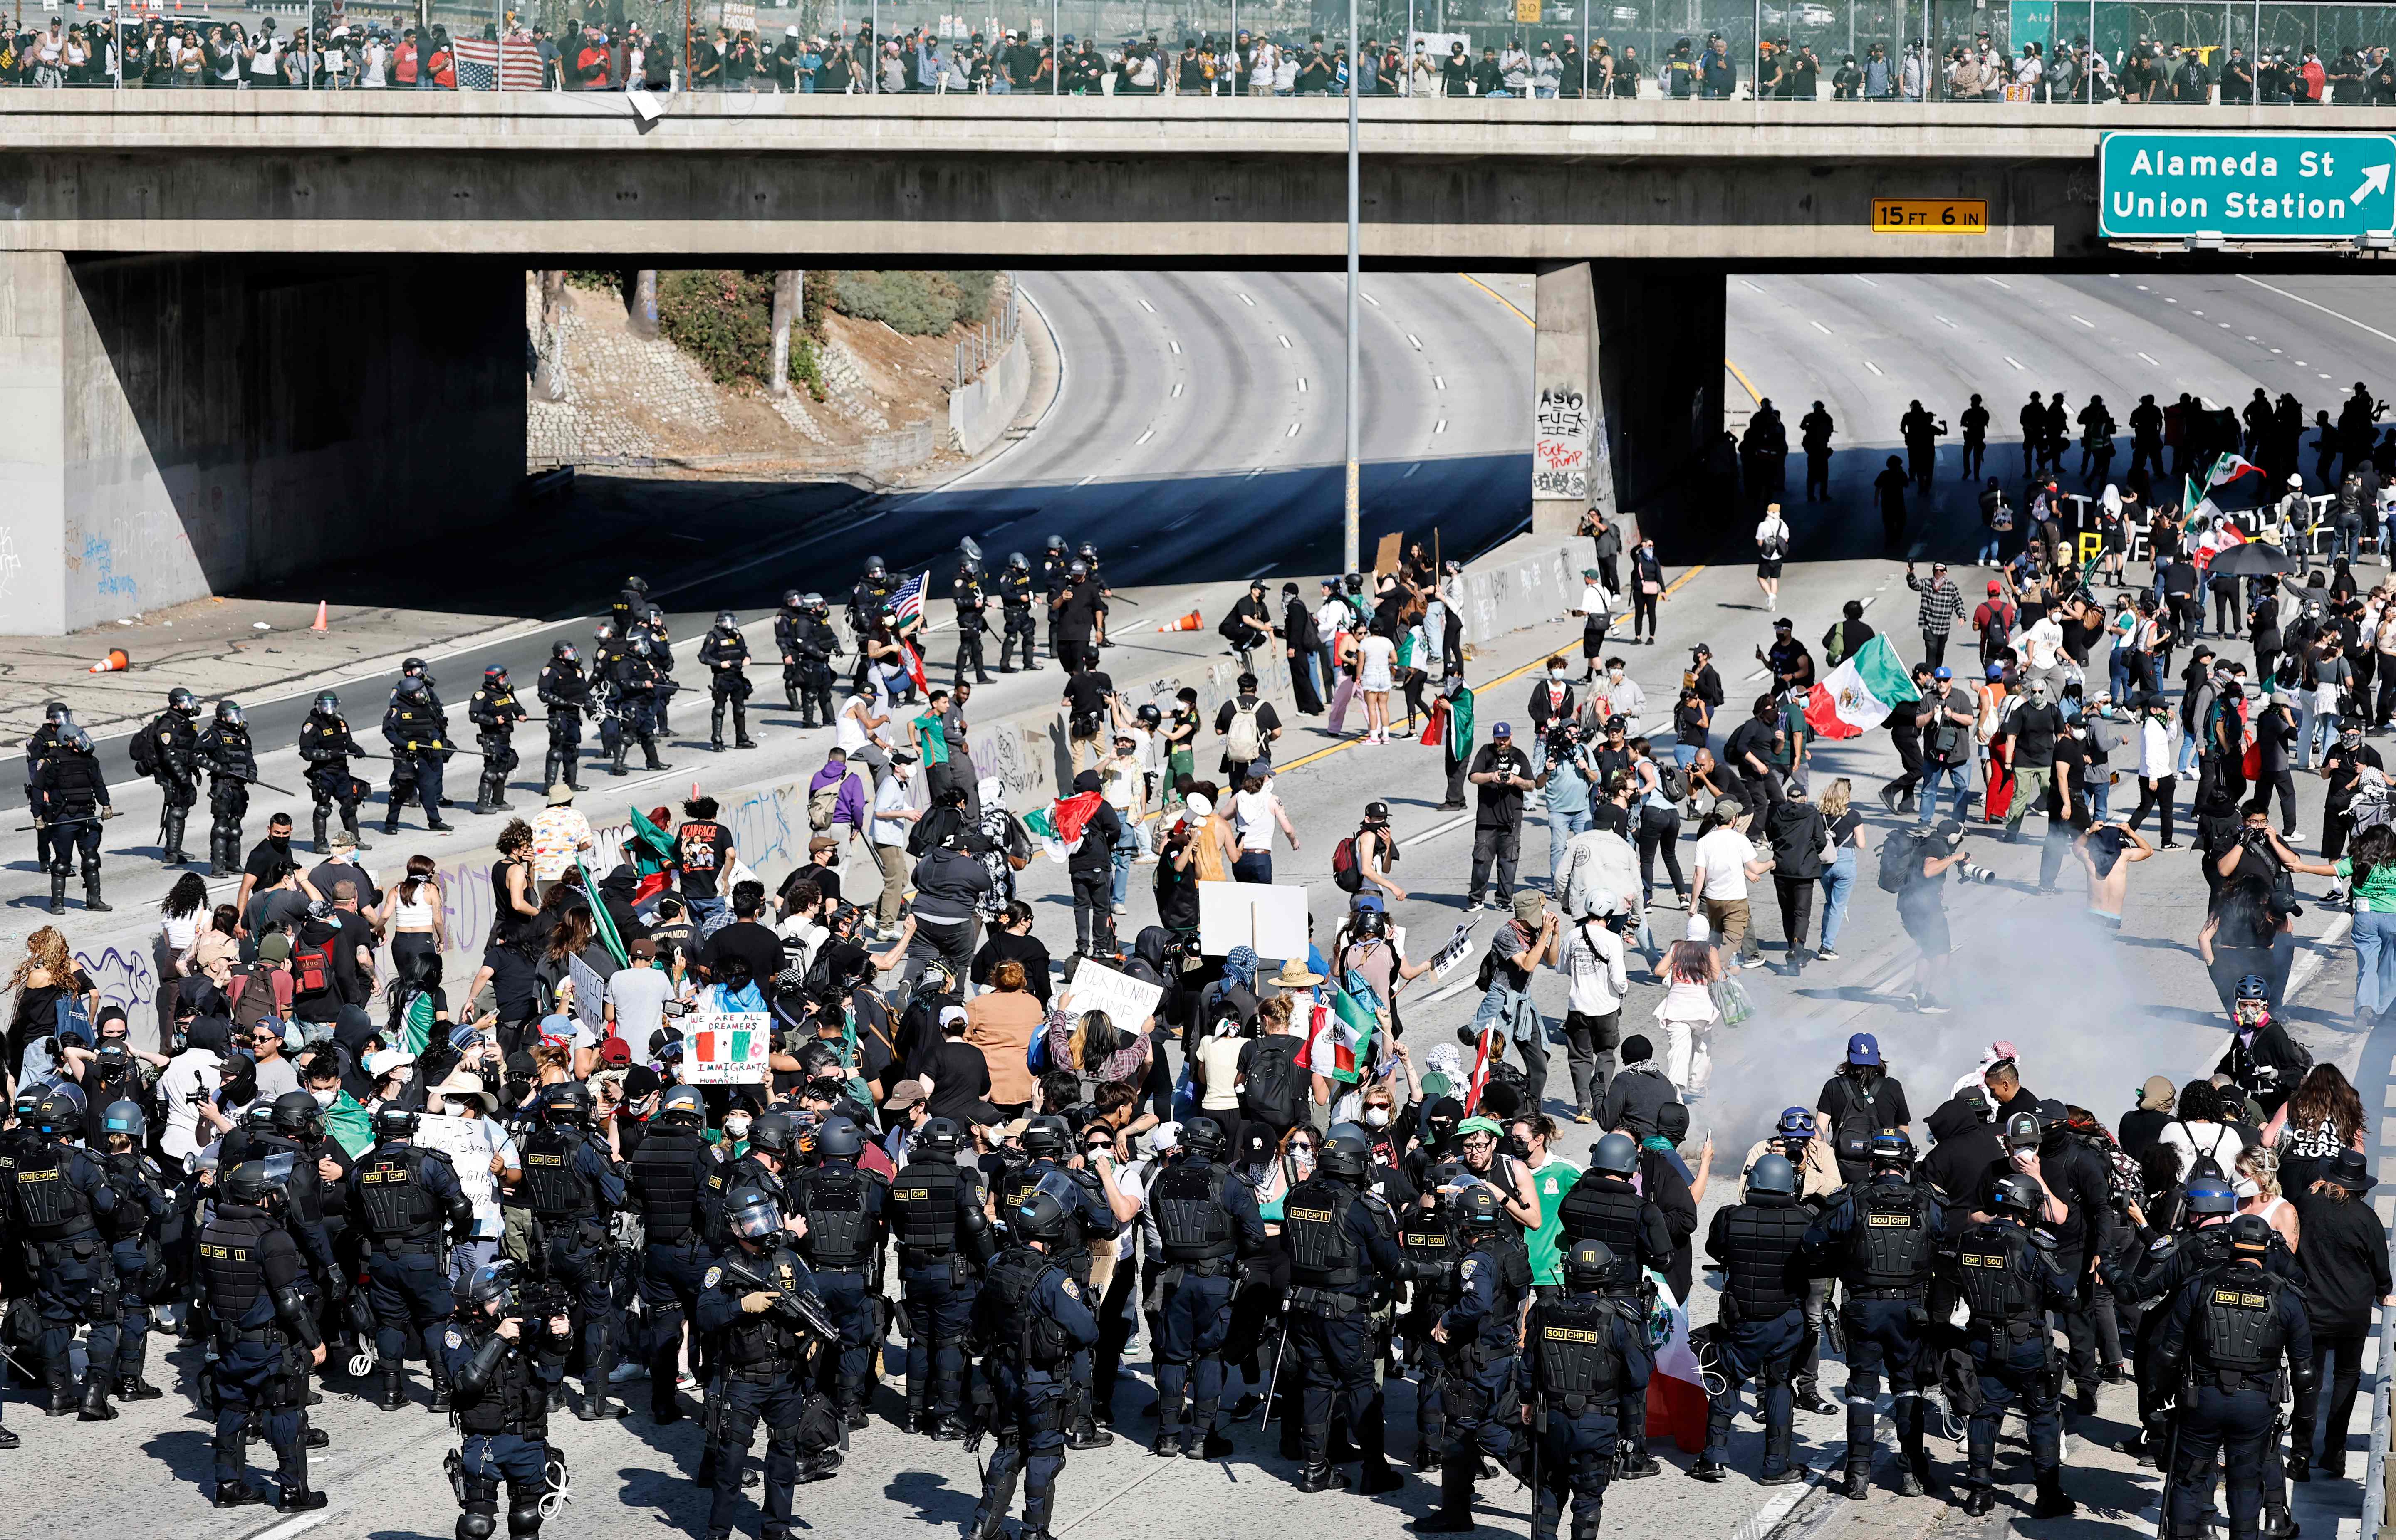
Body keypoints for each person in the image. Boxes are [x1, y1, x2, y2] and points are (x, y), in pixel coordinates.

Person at [1802, 1130, 1942, 1499]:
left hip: (1863, 1307)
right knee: (1909, 1385)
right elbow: (1948, 1241)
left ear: (1873, 1163)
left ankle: (1858, 1473)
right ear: (1906, 1163)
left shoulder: (1854, 1198)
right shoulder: (1927, 1201)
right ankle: (1913, 1472)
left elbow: (1813, 1241)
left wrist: (1844, 1259)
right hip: (1911, 1309)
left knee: (1863, 1388)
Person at [2157, 1213, 2315, 1538]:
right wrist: (2303, 1428)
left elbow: (2169, 1352)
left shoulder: (2199, 1286)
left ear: (2229, 1244)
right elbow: (2305, 1372)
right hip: (2256, 1405)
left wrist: (2161, 1398)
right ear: (2267, 1250)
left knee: (2189, 1478)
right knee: (2246, 1482)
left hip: (2202, 1398)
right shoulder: (2286, 1297)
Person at [695, 1183, 831, 1540]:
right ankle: (718, 1531)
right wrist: (742, 1306)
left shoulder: (788, 1260)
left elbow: (815, 1301)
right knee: (731, 1462)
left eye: (765, 1219)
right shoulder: (724, 1268)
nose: (762, 1229)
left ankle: (777, 1529)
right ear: (737, 1228)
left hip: (785, 1377)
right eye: (752, 1223)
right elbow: (705, 1318)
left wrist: (811, 1336)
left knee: (784, 1457)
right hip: (742, 1379)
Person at [968, 1187, 1102, 1540]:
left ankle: (983, 1526)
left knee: (1010, 1446)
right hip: (1042, 1380)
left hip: (1003, 1374)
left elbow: (978, 1319)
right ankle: (1035, 1531)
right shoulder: (1052, 1278)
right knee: (1045, 1454)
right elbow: (1088, 1332)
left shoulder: (998, 1264)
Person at [198, 1159, 328, 1510]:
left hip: (228, 1339)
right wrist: (314, 1340)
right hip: (268, 1341)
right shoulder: (272, 1238)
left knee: (233, 1408)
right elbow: (288, 1302)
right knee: (285, 1410)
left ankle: (228, 1485)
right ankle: (292, 1492)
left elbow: (205, 1289)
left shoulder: (210, 1230)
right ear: (261, 1197)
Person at [1954, 1172, 2079, 1518]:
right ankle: (2048, 1495)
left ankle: (1979, 1492)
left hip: (1981, 1339)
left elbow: (1953, 1278)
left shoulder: (1968, 1239)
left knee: (1985, 1411)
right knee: (2042, 1415)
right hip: (2027, 1345)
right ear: (2027, 1205)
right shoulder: (2033, 1245)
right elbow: (2068, 1292)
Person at [1148, 1114, 1267, 1460]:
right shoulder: (1231, 1182)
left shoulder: (1163, 1179)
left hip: (1174, 1278)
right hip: (1215, 1279)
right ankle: (1202, 1437)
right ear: (1217, 1147)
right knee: (1209, 1355)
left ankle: (1168, 1437)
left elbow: (1160, 1220)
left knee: (1172, 1356)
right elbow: (1256, 1237)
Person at [1517, 1237, 1653, 1540]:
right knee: (1588, 1499)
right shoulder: (1618, 1319)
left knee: (1548, 1492)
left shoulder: (1543, 1310)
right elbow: (1640, 1376)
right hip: (1598, 1423)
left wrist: (1527, 1401)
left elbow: (1527, 1365)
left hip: (1550, 1421)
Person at [1694, 1154, 1810, 1485]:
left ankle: (1713, 1457)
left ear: (1755, 1181)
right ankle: (1775, 1466)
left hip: (1742, 1319)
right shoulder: (1805, 1220)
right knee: (1779, 1385)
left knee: (1725, 1378)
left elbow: (1717, 1251)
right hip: (1787, 1320)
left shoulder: (1730, 1217)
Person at [350, 1103, 474, 1411]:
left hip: (380, 1259)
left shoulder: (361, 1167)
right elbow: (460, 1206)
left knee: (390, 1322)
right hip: (423, 1257)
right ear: (411, 1128)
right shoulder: (429, 1163)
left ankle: (391, 1392)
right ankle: (442, 1392)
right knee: (434, 1321)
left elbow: (351, 1215)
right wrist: (460, 1233)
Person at [441, 1259, 568, 1540]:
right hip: (485, 1441)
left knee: (527, 1518)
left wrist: (560, 1334)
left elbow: (551, 1362)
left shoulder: (517, 1325)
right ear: (473, 1308)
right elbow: (466, 1383)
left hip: (526, 1437)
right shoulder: (457, 1334)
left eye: (504, 1295)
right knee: (478, 1524)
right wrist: (498, 1339)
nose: (503, 1303)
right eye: (494, 1300)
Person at [889, 1115, 997, 1436]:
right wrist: (991, 1261)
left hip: (914, 1270)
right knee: (951, 1341)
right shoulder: (963, 1176)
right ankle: (946, 1417)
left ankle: (913, 1413)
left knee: (919, 1339)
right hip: (952, 1271)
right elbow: (976, 1225)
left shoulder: (904, 1177)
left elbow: (898, 1222)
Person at [2288, 1147, 2391, 1479]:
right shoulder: (2366, 1217)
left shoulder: (2307, 1204)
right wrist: (2382, 1292)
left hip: (2311, 1308)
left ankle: (2301, 1456)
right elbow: (2382, 1270)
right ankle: (2335, 1451)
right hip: (2352, 1311)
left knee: (2309, 1381)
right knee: (2347, 1376)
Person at [788, 1114, 887, 1429]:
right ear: (856, 1150)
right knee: (856, 1339)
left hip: (813, 1275)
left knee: (810, 1336)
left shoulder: (801, 1182)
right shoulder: (872, 1184)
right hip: (856, 1275)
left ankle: (812, 1398)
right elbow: (883, 1228)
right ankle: (849, 1408)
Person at [1467, 722, 1535, 910]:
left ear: (1511, 736)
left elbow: (1531, 785)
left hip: (1511, 820)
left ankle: (1504, 901)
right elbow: (1473, 777)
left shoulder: (1519, 756)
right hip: (1487, 819)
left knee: (1509, 863)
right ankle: (1476, 899)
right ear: (1494, 737)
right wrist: (1491, 776)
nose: (1502, 742)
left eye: (1505, 738)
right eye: (1499, 738)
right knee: (1482, 861)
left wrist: (1516, 781)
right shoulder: (1486, 752)